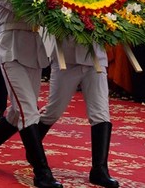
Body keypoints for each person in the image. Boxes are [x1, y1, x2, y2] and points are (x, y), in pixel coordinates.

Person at [0, 0, 61, 188]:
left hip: (34, 51)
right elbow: (27, 7)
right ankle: (42, 171)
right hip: (11, 51)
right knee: (27, 111)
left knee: (18, 112)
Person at [38, 38, 119, 188]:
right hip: (67, 58)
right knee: (53, 112)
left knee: (101, 113)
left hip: (95, 56)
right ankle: (30, 149)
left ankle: (99, 169)